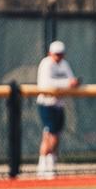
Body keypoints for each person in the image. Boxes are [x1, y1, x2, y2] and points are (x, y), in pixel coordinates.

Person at [36, 40, 80, 178]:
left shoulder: (64, 64)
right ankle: (46, 164)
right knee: (52, 135)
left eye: (61, 54)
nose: (58, 57)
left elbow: (72, 80)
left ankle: (47, 164)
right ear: (50, 53)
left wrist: (70, 83)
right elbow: (46, 84)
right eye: (56, 54)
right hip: (46, 103)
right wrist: (67, 83)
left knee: (53, 135)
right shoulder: (46, 64)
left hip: (59, 104)